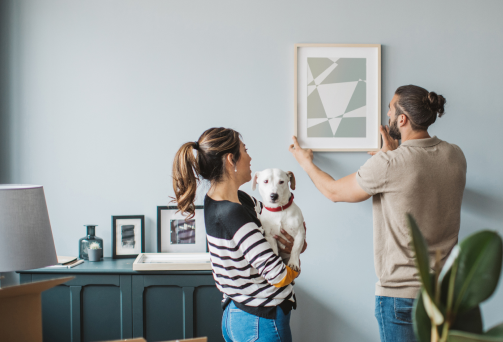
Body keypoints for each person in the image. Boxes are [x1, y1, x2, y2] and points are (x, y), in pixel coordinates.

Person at [289, 85, 466, 342]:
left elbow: (334, 192)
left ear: (402, 119)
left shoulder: (389, 164)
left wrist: (304, 161)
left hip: (402, 298)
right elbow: (418, 177)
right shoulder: (456, 155)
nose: (387, 115)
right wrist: (392, 155)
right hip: (446, 295)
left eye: (390, 110)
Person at [172, 127, 306, 342]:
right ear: (230, 160)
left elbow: (284, 227)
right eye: (245, 150)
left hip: (238, 313)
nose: (250, 157)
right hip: (261, 320)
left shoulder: (234, 200)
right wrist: (295, 264)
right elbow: (279, 276)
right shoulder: (233, 213)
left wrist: (295, 244)